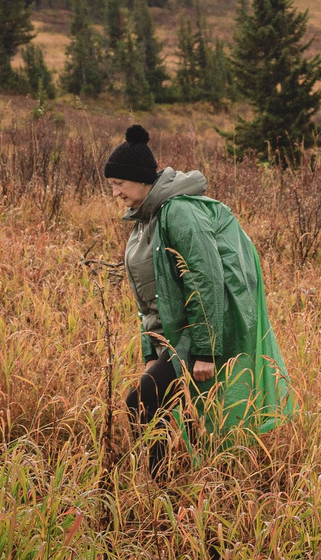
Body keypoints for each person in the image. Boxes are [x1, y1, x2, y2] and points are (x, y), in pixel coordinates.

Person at [105, 125, 294, 472]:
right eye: (112, 186)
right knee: (163, 405)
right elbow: (150, 297)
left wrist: (206, 350)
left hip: (202, 328)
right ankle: (180, 482)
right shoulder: (145, 219)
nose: (115, 193)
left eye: (120, 184)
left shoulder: (179, 212)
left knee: (141, 401)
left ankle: (163, 485)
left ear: (142, 180)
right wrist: (153, 350)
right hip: (177, 335)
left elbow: (206, 280)